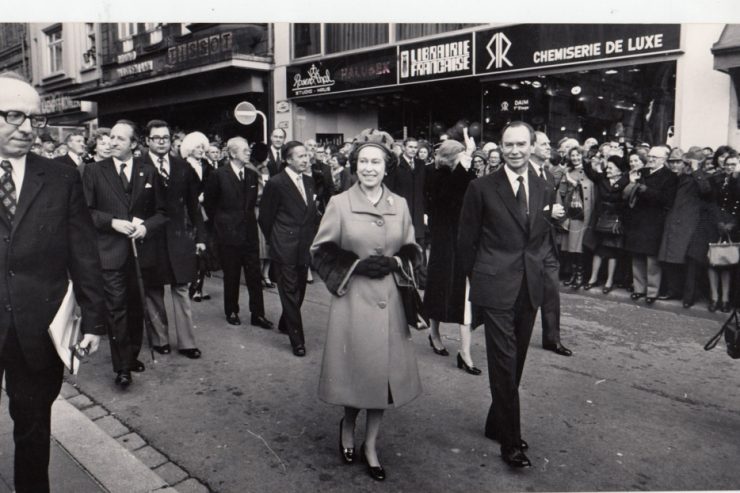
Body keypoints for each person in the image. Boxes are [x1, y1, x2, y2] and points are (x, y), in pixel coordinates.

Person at [0, 73, 106, 493]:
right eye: (13, 116)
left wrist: (95, 320)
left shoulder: (60, 178)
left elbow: (83, 251)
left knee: (33, 428)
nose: (26, 129)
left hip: (37, 329)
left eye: (33, 120)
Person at [311, 128, 423, 481]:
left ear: (386, 167)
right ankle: (347, 424)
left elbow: (412, 249)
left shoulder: (400, 205)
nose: (369, 168)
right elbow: (321, 251)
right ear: (355, 166)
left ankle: (370, 446)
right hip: (353, 302)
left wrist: (397, 263)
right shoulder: (339, 203)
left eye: (375, 162)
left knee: (382, 379)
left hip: (389, 303)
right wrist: (355, 265)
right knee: (355, 373)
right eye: (363, 162)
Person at [458, 121, 562, 468]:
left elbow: (541, 236)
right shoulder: (481, 187)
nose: (515, 150)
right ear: (499, 148)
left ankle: (495, 423)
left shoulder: (544, 185)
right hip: (495, 286)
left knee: (515, 361)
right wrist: (481, 282)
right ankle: (511, 442)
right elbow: (466, 241)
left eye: (521, 144)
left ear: (532, 146)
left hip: (529, 286)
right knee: (503, 363)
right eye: (508, 145)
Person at [82, 119, 168, 388]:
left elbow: (162, 213)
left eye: (120, 139)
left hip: (140, 253)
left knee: (135, 306)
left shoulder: (147, 172)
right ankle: (122, 368)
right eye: (110, 138)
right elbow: (85, 211)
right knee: (116, 308)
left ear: (133, 144)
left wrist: (146, 229)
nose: (112, 142)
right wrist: (112, 223)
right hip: (109, 253)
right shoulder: (94, 171)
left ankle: (130, 356)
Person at [142, 120, 206, 359]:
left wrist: (200, 236)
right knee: (153, 290)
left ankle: (187, 342)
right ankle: (160, 340)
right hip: (150, 238)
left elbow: (193, 206)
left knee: (181, 288)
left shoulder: (183, 167)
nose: (161, 142)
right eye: (156, 138)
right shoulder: (139, 165)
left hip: (179, 238)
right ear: (147, 141)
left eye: (165, 138)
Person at [423, 139, 482, 372]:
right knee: (438, 288)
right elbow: (445, 198)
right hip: (444, 243)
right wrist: (463, 168)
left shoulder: (465, 174)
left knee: (464, 294)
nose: (467, 160)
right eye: (462, 156)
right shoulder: (436, 175)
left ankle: (465, 352)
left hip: (464, 243)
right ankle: (434, 333)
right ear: (451, 157)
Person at [204, 137, 274, 330]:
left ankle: (258, 314)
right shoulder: (219, 175)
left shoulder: (251, 175)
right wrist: (222, 224)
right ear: (233, 153)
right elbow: (210, 204)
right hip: (228, 234)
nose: (248, 153)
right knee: (232, 275)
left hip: (250, 232)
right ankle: (231, 311)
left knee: (254, 274)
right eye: (244, 150)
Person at [259, 141, 317, 356]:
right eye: (300, 156)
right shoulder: (276, 183)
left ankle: (285, 322)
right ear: (288, 159)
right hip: (284, 245)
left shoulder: (310, 181)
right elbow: (265, 218)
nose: (305, 159)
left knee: (300, 289)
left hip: (304, 245)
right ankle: (297, 341)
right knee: (290, 291)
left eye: (306, 155)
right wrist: (275, 240)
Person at [530, 131, 572, 357]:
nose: (548, 147)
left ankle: (552, 339)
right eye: (543, 144)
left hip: (547, 244)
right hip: (528, 246)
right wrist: (548, 211)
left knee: (552, 293)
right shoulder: (522, 173)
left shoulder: (546, 173)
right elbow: (518, 210)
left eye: (549, 143)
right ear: (530, 146)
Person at [622, 145, 678, 304]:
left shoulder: (670, 176)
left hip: (654, 221)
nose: (651, 159)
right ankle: (639, 288)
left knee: (651, 258)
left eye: (655, 157)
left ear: (664, 159)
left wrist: (646, 190)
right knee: (637, 255)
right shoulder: (642, 172)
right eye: (650, 156)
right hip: (637, 220)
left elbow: (667, 200)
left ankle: (652, 292)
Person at [657, 147, 713, 307]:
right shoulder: (680, 177)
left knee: (688, 263)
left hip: (689, 225)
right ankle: (674, 291)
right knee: (669, 259)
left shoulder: (703, 176)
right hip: (674, 222)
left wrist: (696, 170)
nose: (682, 164)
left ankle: (688, 296)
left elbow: (706, 191)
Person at [582, 155, 630, 293]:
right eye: (607, 167)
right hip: (601, 220)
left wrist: (618, 216)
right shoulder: (602, 179)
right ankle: (593, 278)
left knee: (613, 252)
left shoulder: (625, 181)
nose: (607, 170)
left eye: (610, 168)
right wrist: (593, 159)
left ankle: (609, 281)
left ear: (619, 170)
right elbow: (588, 169)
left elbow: (625, 202)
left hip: (616, 222)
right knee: (598, 250)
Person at [180, 132, 213, 302]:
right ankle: (191, 284)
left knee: (204, 248)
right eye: (198, 147)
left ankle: (198, 286)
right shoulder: (182, 166)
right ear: (190, 149)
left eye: (203, 147)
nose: (201, 150)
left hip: (205, 212)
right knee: (190, 249)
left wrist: (206, 196)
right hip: (188, 212)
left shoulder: (208, 166)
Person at [557, 146, 595, 289]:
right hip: (571, 213)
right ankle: (573, 274)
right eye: (573, 155)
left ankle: (580, 275)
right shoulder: (568, 172)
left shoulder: (588, 171)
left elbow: (589, 188)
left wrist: (574, 183)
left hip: (583, 214)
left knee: (580, 247)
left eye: (578, 155)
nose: (575, 158)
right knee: (570, 247)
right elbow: (561, 192)